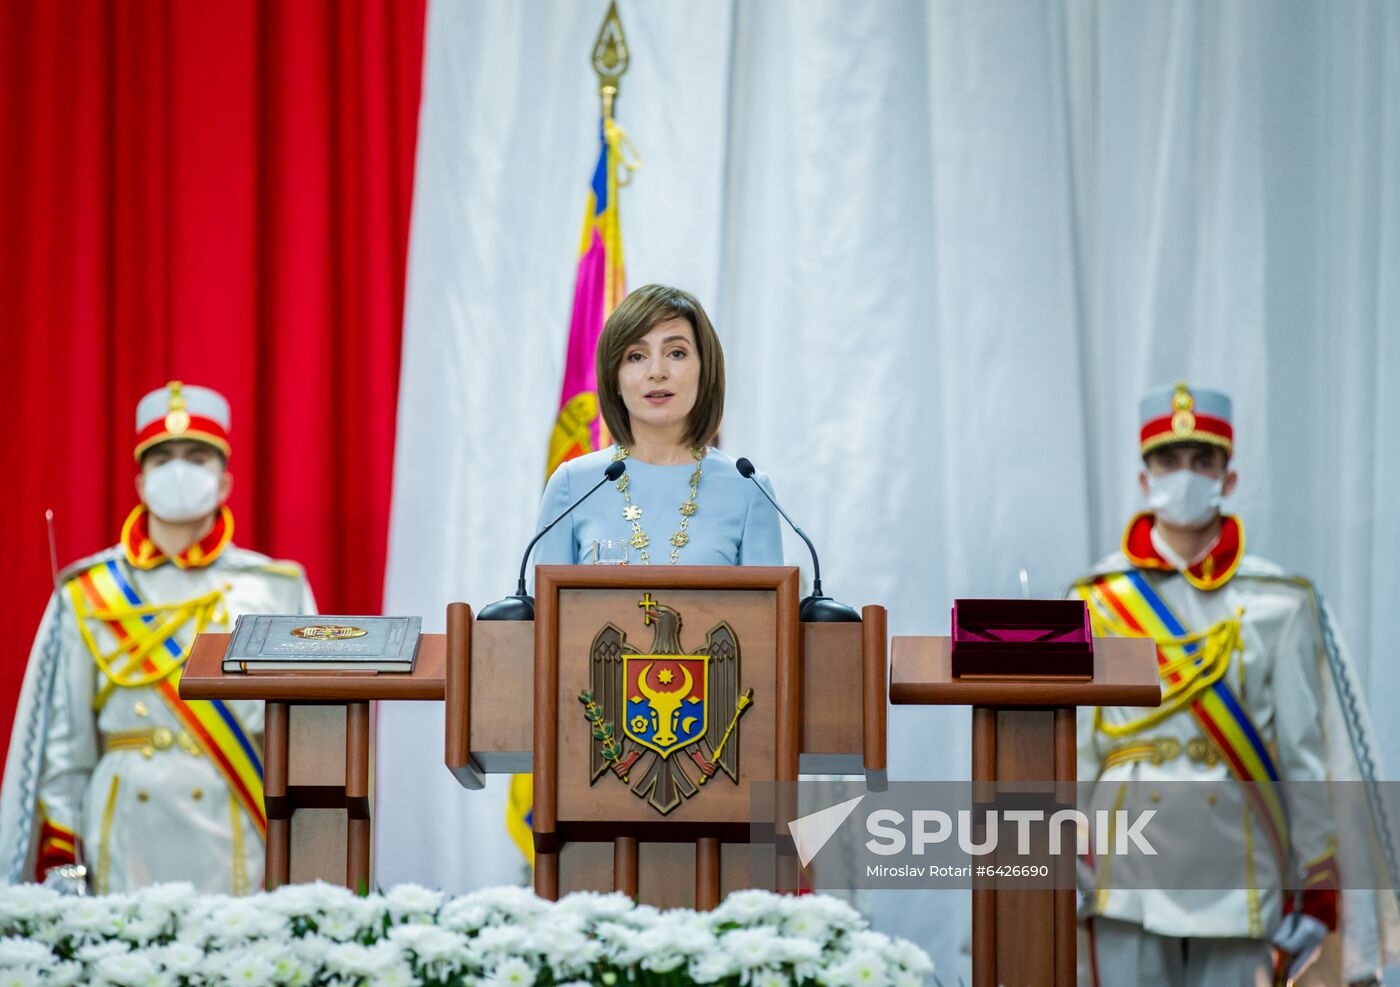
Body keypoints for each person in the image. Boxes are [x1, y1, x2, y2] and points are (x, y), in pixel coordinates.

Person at [1072, 382, 1397, 987]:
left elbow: (1302, 755)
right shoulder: (1095, 598)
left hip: (1238, 862)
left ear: (1229, 476)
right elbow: (1076, 752)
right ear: (1144, 479)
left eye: (1203, 461)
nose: (1185, 475)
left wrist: (1317, 882)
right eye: (1168, 461)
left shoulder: (1277, 598)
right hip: (1125, 859)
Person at [0, 381, 315, 894]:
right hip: (123, 827)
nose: (179, 470)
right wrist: (62, 861)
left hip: (230, 819)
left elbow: (304, 737)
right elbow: (65, 745)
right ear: (141, 482)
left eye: (197, 456)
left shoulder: (275, 587)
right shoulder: (88, 590)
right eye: (162, 457)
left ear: (224, 482)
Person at [532, 283, 783, 567]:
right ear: (614, 378)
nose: (657, 372)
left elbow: (766, 610)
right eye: (636, 356)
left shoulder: (748, 488)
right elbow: (545, 607)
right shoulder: (572, 484)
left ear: (705, 370)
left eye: (676, 353)